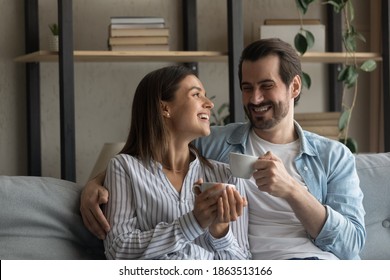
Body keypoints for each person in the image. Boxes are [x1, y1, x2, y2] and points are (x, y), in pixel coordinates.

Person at [80, 38, 366, 260]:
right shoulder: (215, 143)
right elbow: (155, 148)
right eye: (246, 87)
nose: (255, 98)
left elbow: (351, 244)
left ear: (293, 87)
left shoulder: (333, 156)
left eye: (266, 86)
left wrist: (292, 189)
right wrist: (95, 182)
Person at [93, 65, 251, 260]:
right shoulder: (124, 168)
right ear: (165, 108)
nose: (209, 103)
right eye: (196, 95)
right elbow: (118, 250)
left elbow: (243, 264)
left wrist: (220, 232)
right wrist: (194, 222)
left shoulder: (227, 176)